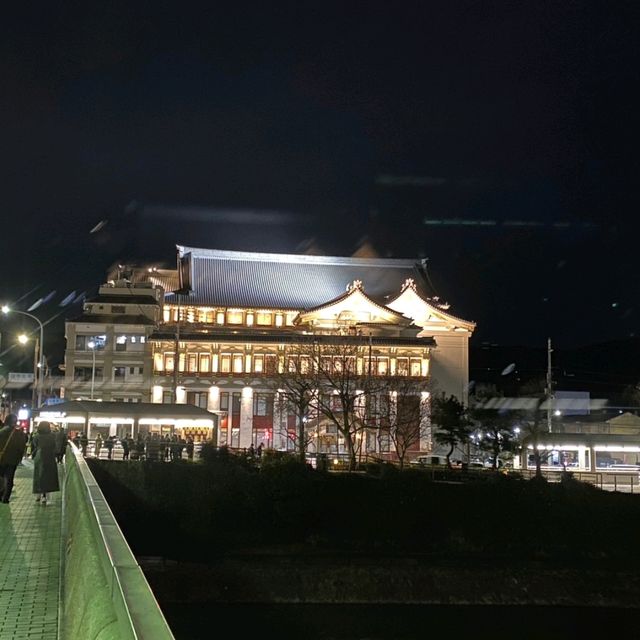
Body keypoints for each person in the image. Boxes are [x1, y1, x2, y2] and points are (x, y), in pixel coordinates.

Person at [0, 414, 28, 503]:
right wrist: (19, 458)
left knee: (1, 477)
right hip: (13, 460)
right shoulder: (20, 434)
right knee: (10, 478)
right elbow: (22, 447)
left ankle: (0, 494)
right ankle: (6, 498)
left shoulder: (2, 432)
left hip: (1, 458)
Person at [31, 421, 60, 505]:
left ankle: (38, 495)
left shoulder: (37, 436)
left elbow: (35, 445)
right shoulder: (52, 436)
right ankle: (45, 496)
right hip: (50, 457)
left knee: (38, 475)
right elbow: (55, 447)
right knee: (47, 477)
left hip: (39, 457)